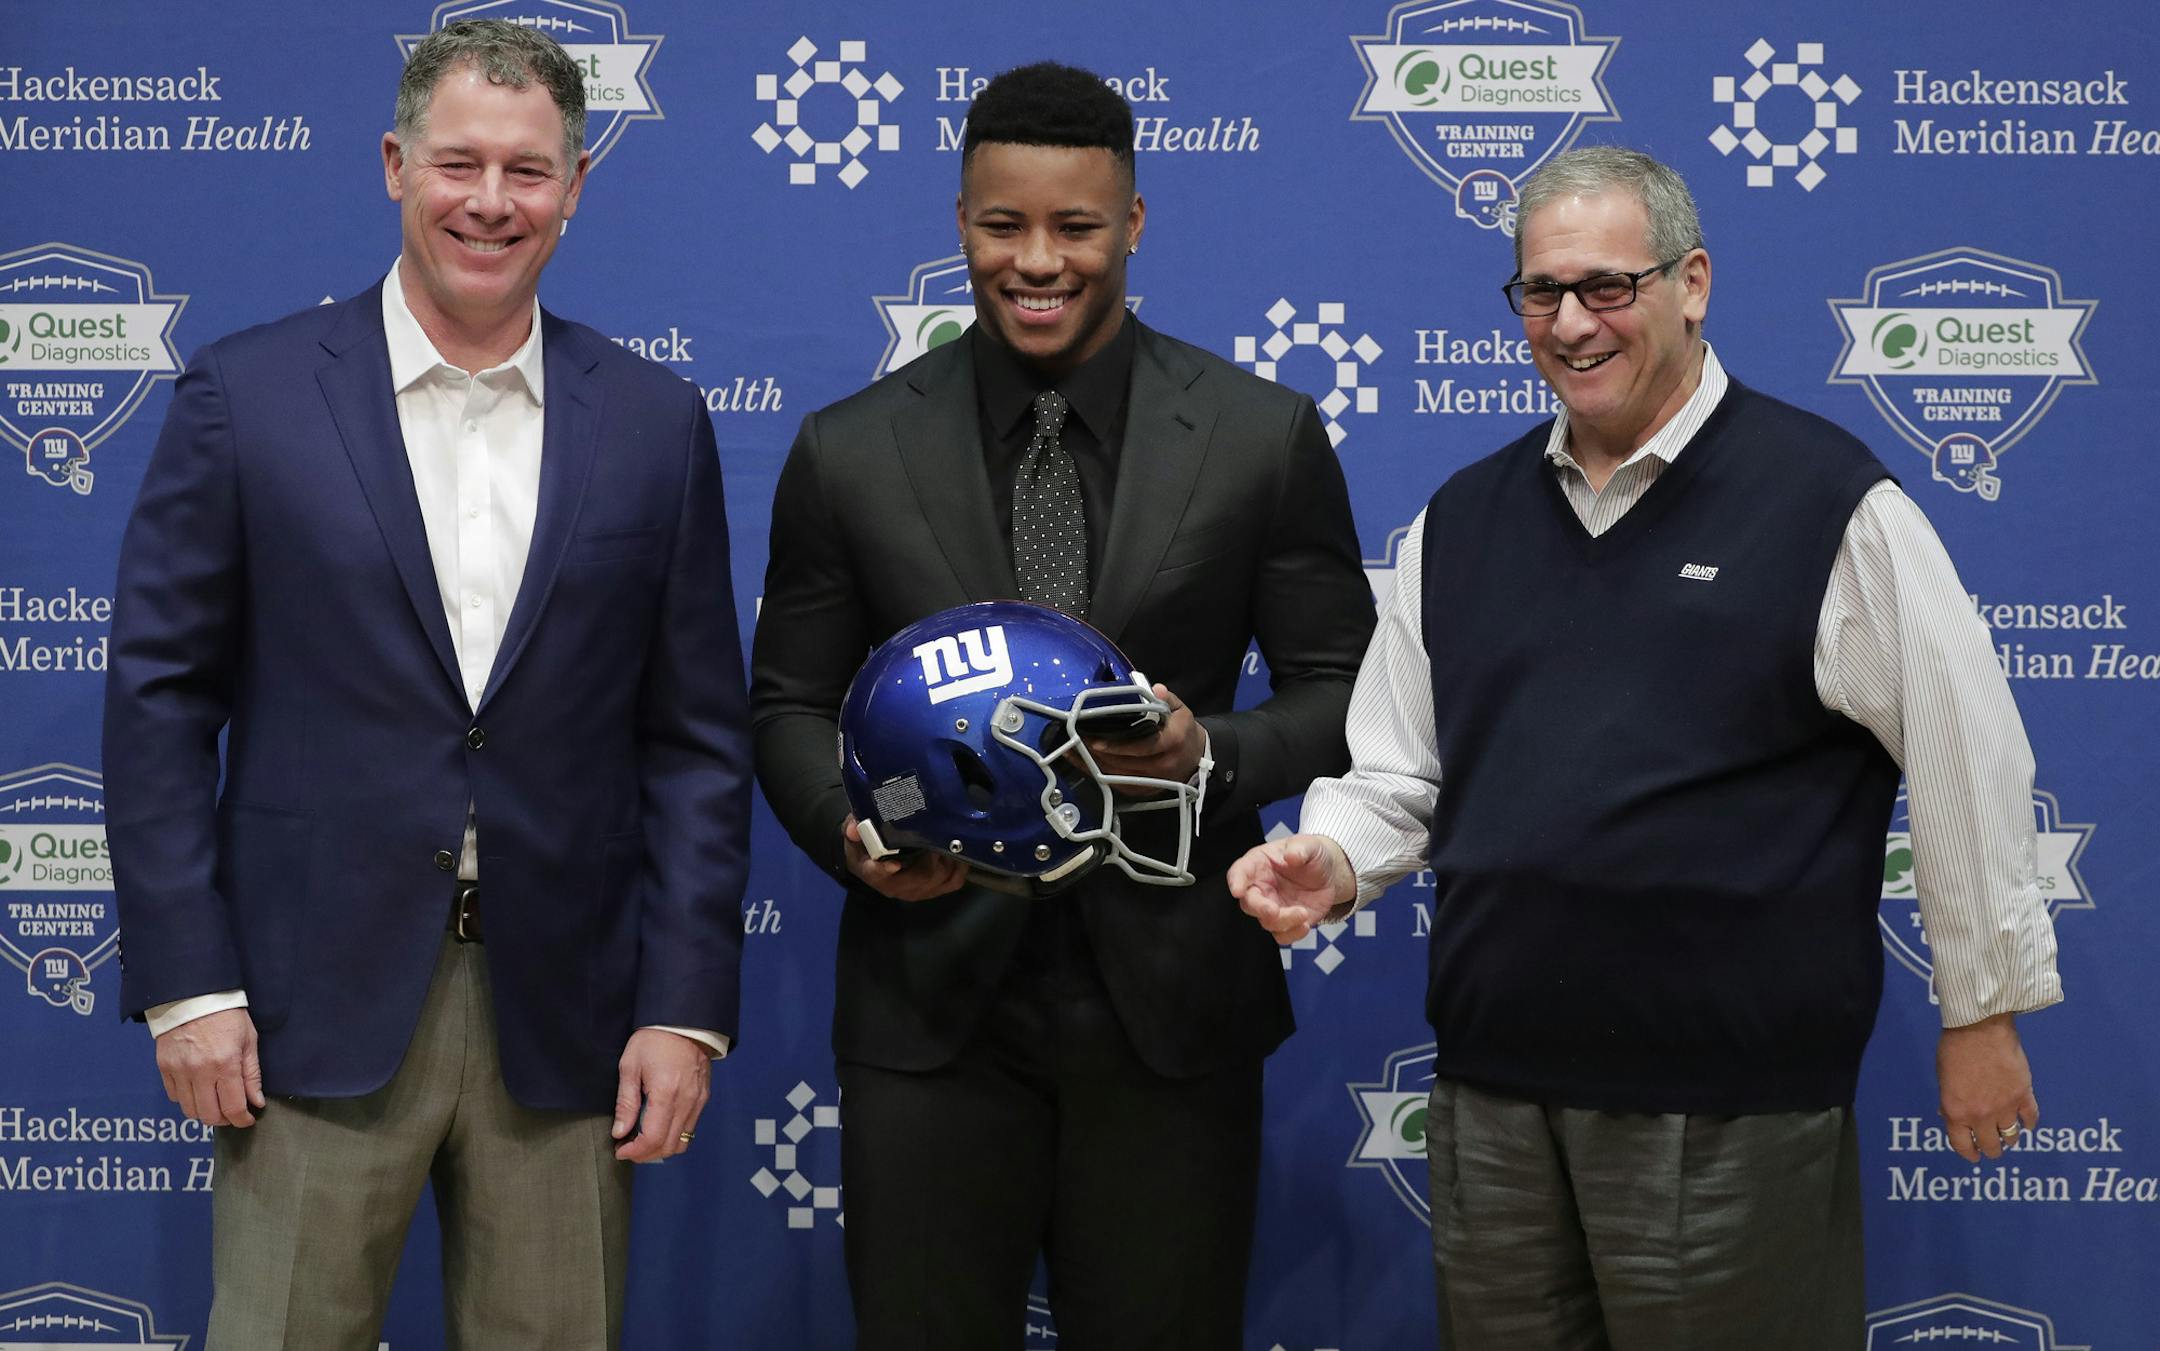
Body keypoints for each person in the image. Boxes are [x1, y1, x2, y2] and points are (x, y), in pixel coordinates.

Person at [1230, 146, 2060, 1350]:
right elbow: (1400, 769)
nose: (1572, 323)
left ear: (1693, 283)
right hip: (1494, 1093)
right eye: (1541, 291)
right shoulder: (1461, 519)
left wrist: (1983, 1006)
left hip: (1727, 1105)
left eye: (1608, 286)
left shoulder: (1827, 501)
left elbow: (1964, 757)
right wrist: (1336, 856)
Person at [103, 20, 750, 1349]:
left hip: (564, 1020)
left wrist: (683, 1005)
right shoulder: (249, 393)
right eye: (460, 163)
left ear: (576, 187)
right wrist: (189, 983)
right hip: (301, 1009)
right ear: (397, 164)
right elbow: (161, 698)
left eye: (528, 171)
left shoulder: (653, 421)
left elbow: (694, 743)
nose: (490, 203)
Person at [751, 61, 1374, 1351]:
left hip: (1172, 1013)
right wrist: (852, 833)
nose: (1038, 260)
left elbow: (1344, 695)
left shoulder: (1261, 436)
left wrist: (1212, 753)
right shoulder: (847, 450)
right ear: (960, 220)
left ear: (1133, 224)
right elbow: (790, 706)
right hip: (929, 1013)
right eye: (1002, 225)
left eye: (1076, 227)